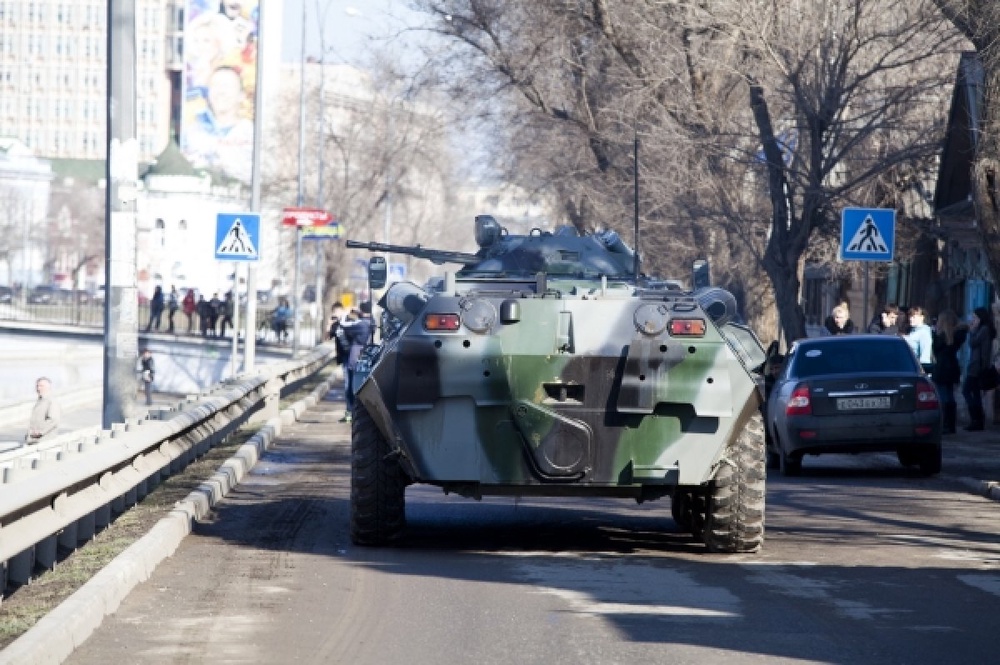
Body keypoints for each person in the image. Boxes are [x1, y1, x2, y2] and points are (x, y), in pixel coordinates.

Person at [931, 309, 968, 434]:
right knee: (950, 395)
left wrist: (935, 334)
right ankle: (950, 424)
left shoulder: (941, 337)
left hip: (942, 368)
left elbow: (935, 351)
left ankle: (945, 423)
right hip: (952, 366)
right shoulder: (957, 336)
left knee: (943, 396)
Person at [961, 307, 997, 431]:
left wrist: (972, 331)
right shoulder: (984, 329)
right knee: (975, 393)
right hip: (977, 365)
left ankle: (976, 418)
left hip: (977, 366)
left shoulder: (984, 330)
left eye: (975, 317)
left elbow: (973, 343)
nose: (973, 320)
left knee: (967, 391)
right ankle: (977, 420)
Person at [340, 302, 373, 423]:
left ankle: (351, 412)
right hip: (367, 355)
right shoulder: (372, 322)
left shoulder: (361, 323)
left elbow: (343, 325)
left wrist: (345, 313)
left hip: (355, 355)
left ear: (362, 311)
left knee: (351, 387)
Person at [25, 377, 60, 444]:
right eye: (37, 386)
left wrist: (39, 432)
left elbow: (53, 420)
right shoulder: (41, 401)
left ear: (48, 387)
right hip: (35, 440)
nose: (38, 388)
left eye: (41, 386)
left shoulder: (51, 401)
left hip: (44, 441)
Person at [904, 305, 934, 370]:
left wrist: (922, 370)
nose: (910, 319)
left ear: (922, 317)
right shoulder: (913, 330)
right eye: (910, 316)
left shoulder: (924, 332)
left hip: (917, 369)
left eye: (914, 317)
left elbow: (925, 354)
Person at [328, 301, 351, 366]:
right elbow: (329, 337)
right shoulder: (335, 324)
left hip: (351, 352)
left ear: (342, 310)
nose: (336, 314)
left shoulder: (349, 320)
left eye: (337, 311)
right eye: (334, 312)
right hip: (342, 353)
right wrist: (329, 325)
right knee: (346, 374)